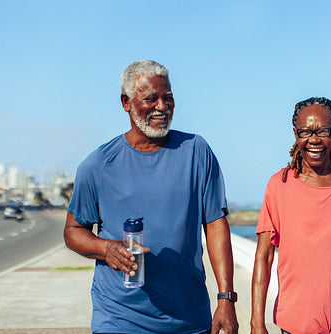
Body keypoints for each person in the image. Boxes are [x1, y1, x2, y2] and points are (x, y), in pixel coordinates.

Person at [64, 60, 239, 334]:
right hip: (119, 319)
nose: (162, 106)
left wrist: (225, 297)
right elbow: (74, 230)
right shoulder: (98, 164)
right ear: (126, 102)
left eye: (168, 97)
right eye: (151, 98)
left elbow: (215, 224)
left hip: (189, 319)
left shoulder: (196, 151)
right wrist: (106, 248)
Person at [250, 97, 331, 334]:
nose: (314, 140)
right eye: (305, 132)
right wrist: (256, 322)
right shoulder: (279, 185)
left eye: (322, 131)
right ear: (295, 134)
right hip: (296, 322)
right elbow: (264, 257)